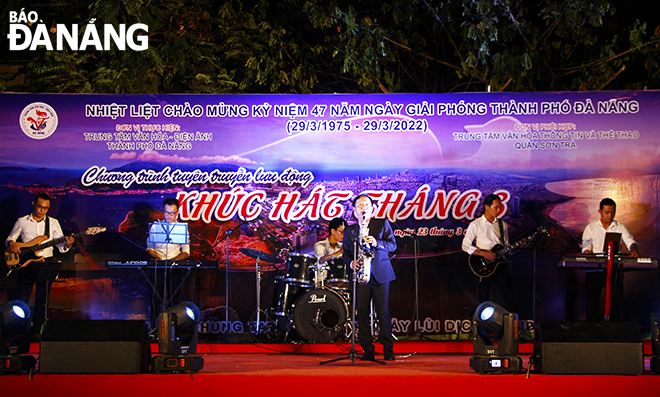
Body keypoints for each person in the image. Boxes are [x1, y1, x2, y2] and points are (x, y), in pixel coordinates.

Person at [5, 192, 74, 336]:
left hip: (46, 264)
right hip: (27, 264)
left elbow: (61, 248)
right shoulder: (22, 221)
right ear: (33, 204)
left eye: (46, 208)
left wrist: (67, 244)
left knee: (42, 301)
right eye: (40, 207)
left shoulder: (53, 223)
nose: (42, 210)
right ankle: (20, 331)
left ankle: (37, 331)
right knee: (22, 299)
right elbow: (10, 238)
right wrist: (12, 244)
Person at [342, 194, 397, 361]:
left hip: (380, 275)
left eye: (366, 204)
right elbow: (345, 253)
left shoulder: (382, 223)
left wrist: (377, 242)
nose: (363, 207)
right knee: (362, 314)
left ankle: (388, 349)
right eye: (360, 205)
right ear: (354, 210)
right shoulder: (350, 230)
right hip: (360, 276)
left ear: (372, 209)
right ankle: (367, 349)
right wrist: (351, 263)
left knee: (383, 313)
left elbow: (392, 245)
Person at [581, 198, 638, 321]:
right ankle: (592, 332)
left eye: (612, 212)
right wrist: (591, 256)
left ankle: (614, 332)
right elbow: (586, 249)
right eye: (607, 212)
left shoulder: (620, 227)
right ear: (600, 211)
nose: (610, 215)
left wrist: (634, 250)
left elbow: (631, 242)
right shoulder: (590, 228)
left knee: (615, 303)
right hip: (594, 271)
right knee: (591, 303)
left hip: (614, 271)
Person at [461, 193, 517, 313]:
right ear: (487, 207)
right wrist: (484, 254)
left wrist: (514, 248)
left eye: (500, 207)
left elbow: (505, 245)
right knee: (483, 297)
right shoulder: (476, 225)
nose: (498, 210)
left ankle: (512, 325)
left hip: (500, 264)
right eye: (496, 207)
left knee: (509, 295)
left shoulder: (503, 225)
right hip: (483, 264)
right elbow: (465, 246)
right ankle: (483, 327)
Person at [146, 198, 190, 321]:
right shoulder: (155, 227)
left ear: (178, 212)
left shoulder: (182, 228)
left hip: (174, 266)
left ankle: (174, 326)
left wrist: (175, 259)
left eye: (172, 213)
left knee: (174, 298)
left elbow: (186, 252)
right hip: (158, 265)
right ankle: (155, 327)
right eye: (167, 212)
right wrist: (157, 257)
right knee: (155, 298)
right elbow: (149, 248)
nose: (169, 216)